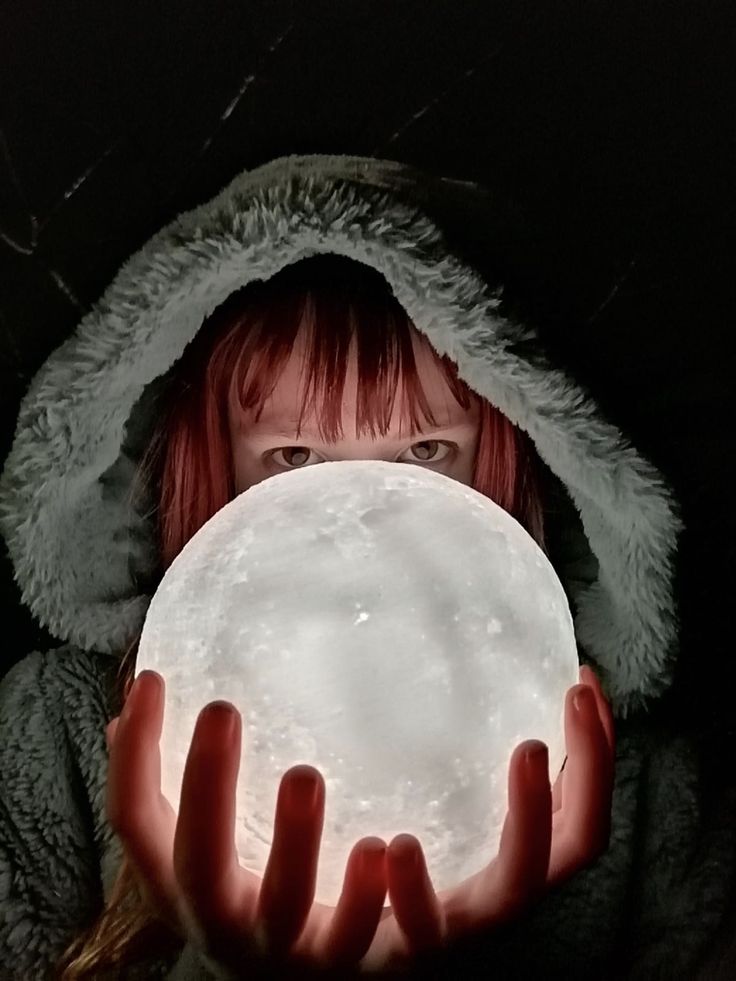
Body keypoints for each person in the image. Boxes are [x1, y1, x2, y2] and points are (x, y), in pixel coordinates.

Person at [0, 154, 729, 981]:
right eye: (295, 453)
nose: (358, 517)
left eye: (425, 450)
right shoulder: (51, 737)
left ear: (521, 456)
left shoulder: (654, 803)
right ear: (218, 474)